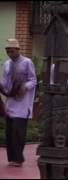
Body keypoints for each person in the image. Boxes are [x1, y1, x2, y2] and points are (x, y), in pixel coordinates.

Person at [0, 38, 36, 167]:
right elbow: (4, 82)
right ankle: (12, 158)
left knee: (18, 131)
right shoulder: (7, 64)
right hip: (10, 101)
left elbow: (33, 80)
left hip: (23, 102)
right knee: (10, 131)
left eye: (12, 50)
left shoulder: (27, 62)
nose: (10, 53)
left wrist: (24, 87)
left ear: (18, 50)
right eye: (8, 51)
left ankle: (19, 159)